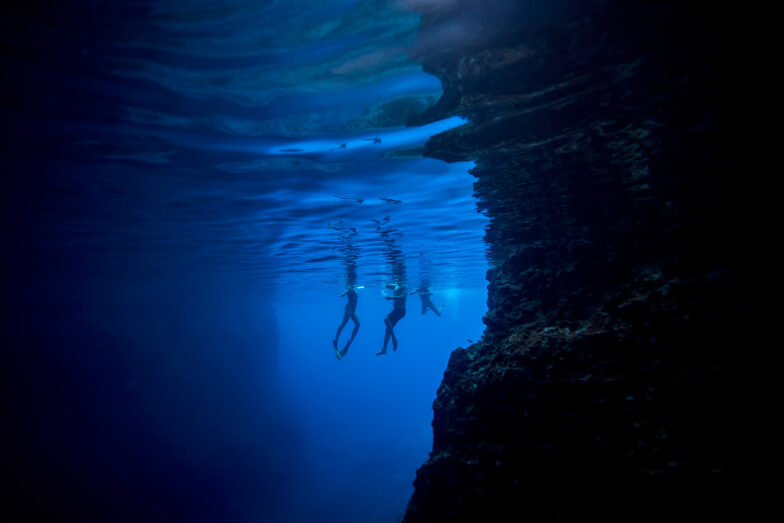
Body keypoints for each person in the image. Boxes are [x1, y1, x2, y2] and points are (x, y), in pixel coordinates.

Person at [377, 282, 407, 355]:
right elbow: (389, 285)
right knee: (388, 329)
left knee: (386, 319)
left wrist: (392, 297)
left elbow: (403, 296)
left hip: (401, 310)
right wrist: (384, 285)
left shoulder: (404, 286)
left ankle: (394, 339)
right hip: (396, 310)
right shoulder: (396, 285)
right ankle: (384, 349)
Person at [333, 285, 359, 360]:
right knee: (343, 324)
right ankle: (336, 341)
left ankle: (350, 341)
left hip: (353, 309)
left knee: (358, 324)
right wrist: (343, 293)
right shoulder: (349, 288)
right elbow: (347, 290)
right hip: (349, 308)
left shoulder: (353, 288)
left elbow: (351, 291)